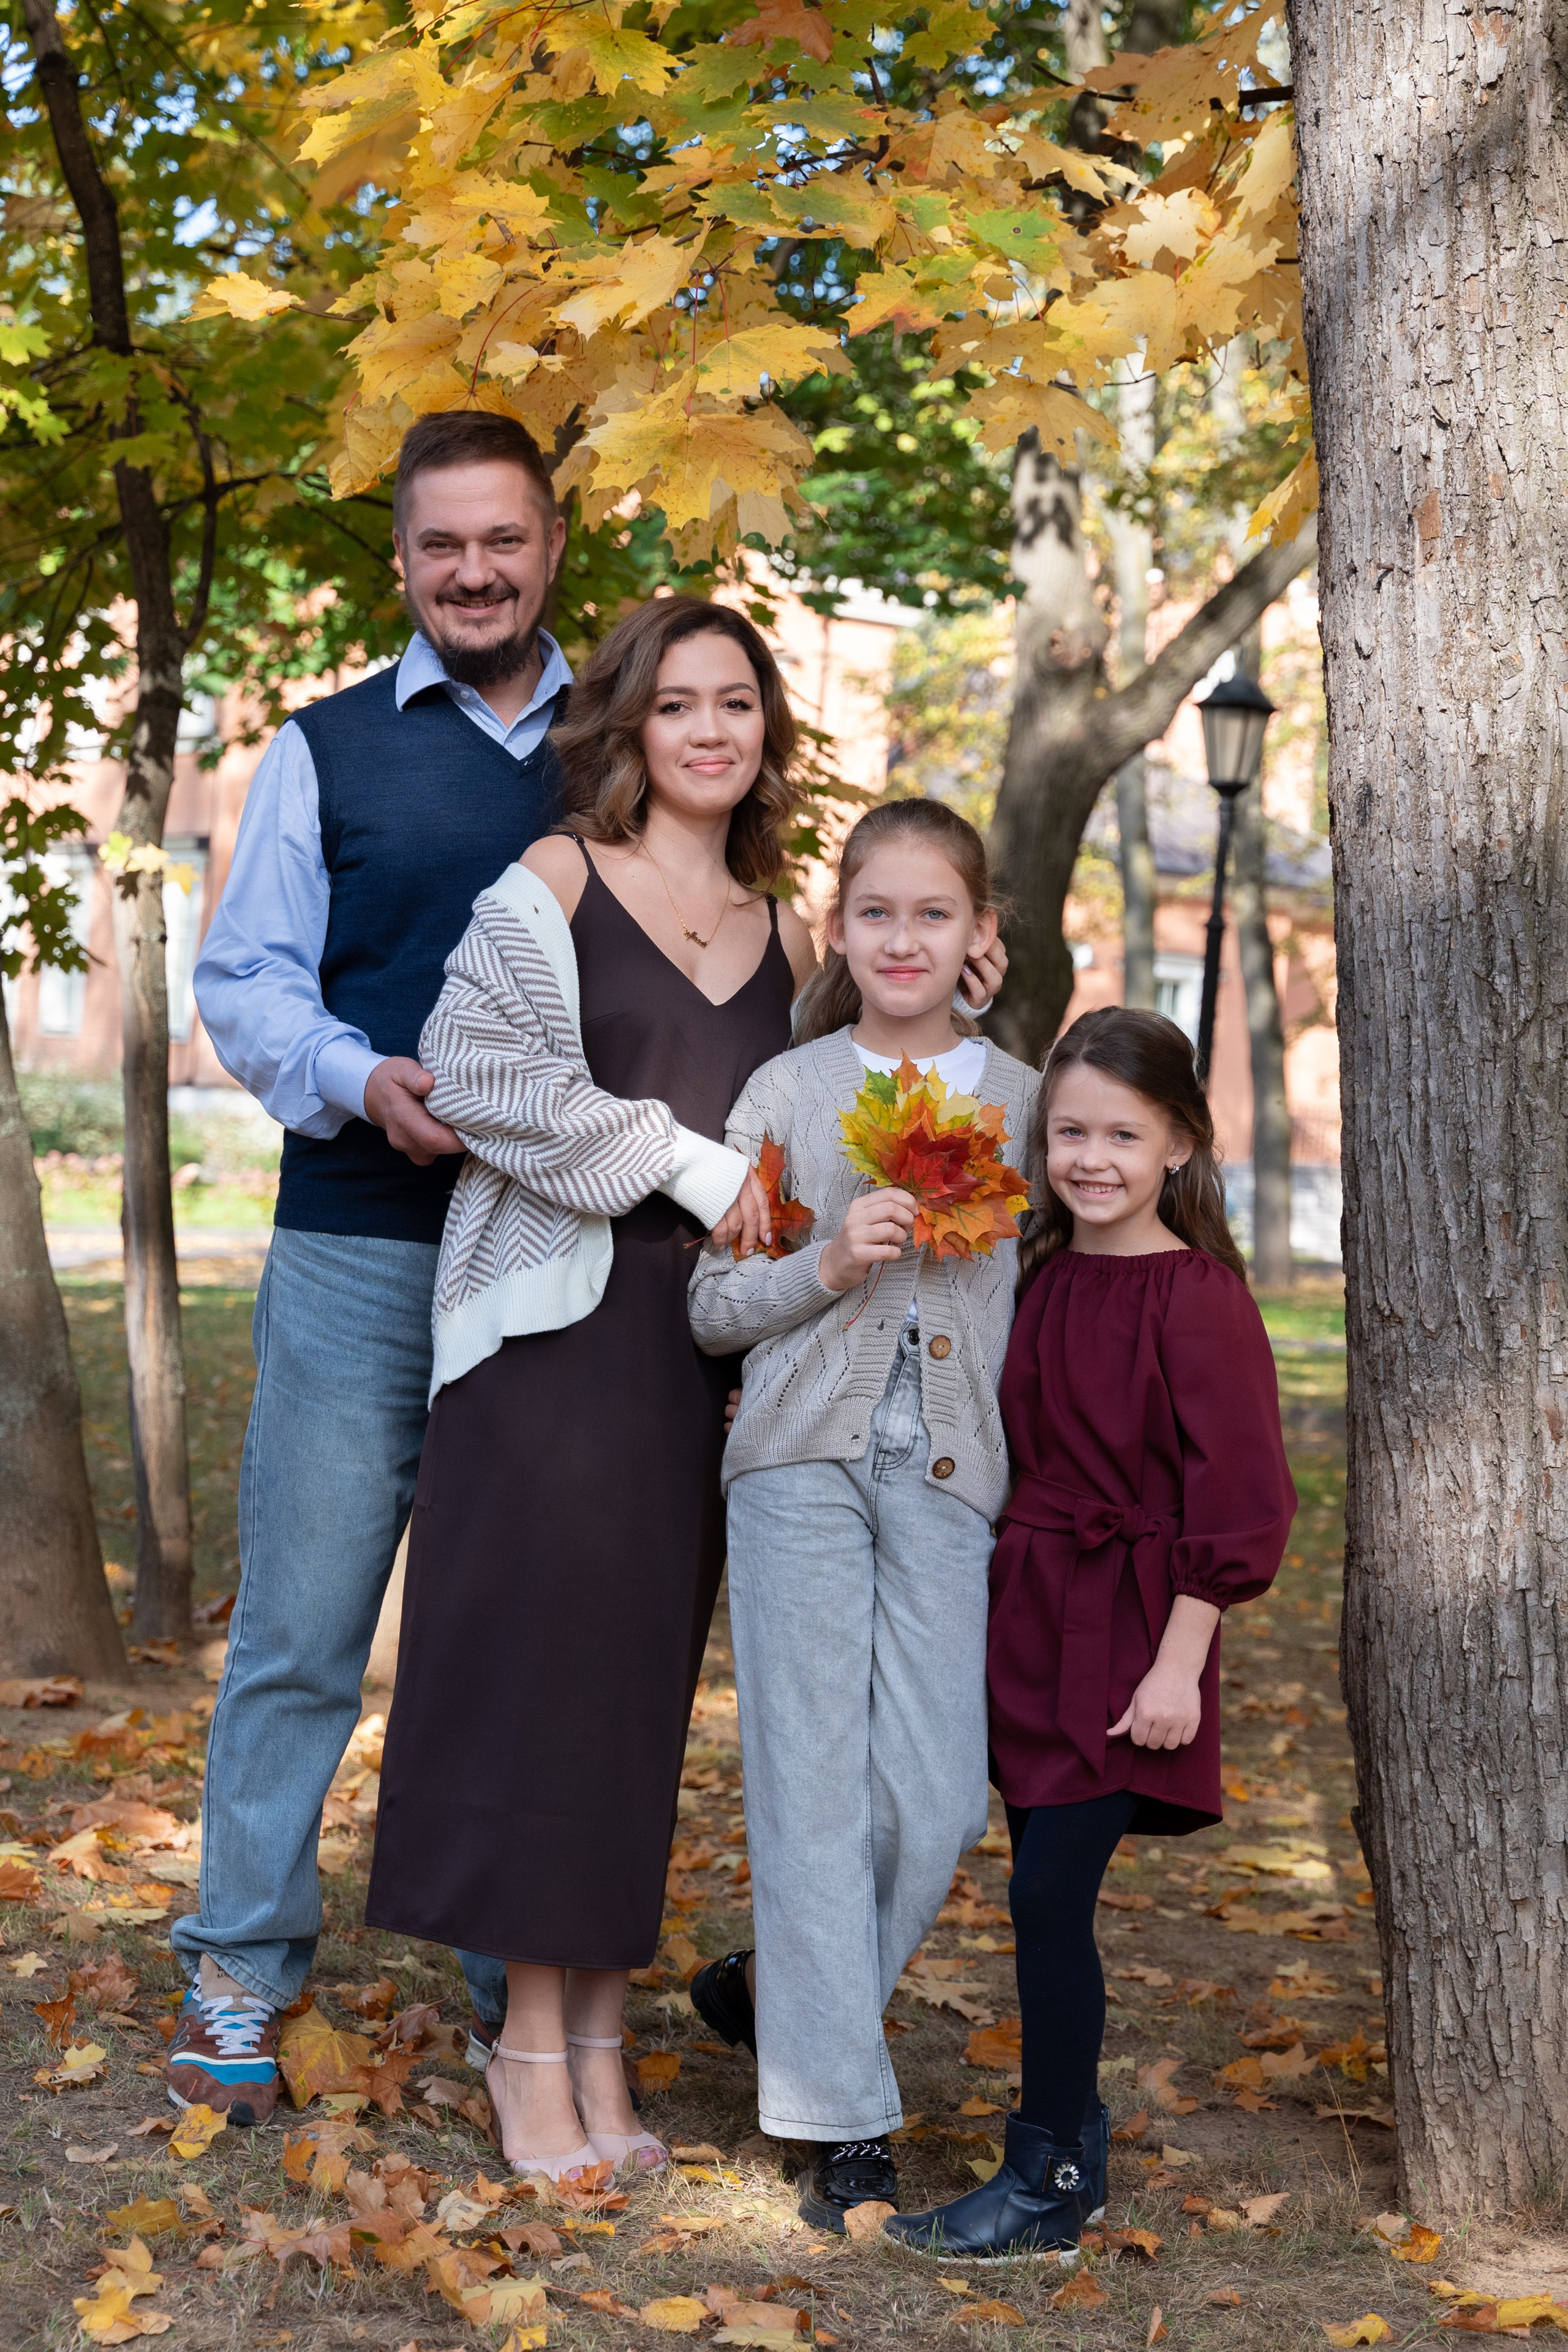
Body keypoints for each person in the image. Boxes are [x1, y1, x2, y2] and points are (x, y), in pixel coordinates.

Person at [175, 410, 572, 2120]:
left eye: (502, 539)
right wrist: (359, 1079)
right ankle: (241, 1971)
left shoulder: (632, 739)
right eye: (440, 547)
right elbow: (248, 983)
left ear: (553, 544)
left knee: (527, 1639)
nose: (473, 571)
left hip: (564, 1264)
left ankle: (528, 2001)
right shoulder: (322, 748)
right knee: (300, 1632)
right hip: (357, 1245)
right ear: (401, 561)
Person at [884, 1006, 1297, 2262]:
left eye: (1122, 1132)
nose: (1091, 1157)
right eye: (1068, 1131)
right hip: (1029, 1609)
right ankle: (1073, 2140)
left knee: (1048, 1897)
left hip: (1128, 1637)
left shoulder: (1199, 1299)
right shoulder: (1043, 1273)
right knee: (1023, 1882)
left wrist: (1178, 1664)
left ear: (1177, 1141)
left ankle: (1048, 2172)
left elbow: (1240, 1501)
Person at [684, 799, 1040, 2232]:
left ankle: (775, 1990)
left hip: (953, 1474)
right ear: (838, 930)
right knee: (809, 1786)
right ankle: (839, 2117)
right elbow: (714, 1309)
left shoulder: (1022, 1098)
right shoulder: (783, 1094)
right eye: (876, 913)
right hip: (797, 1463)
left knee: (937, 1791)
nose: (902, 938)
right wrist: (827, 1261)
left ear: (978, 939)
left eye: (932, 914)